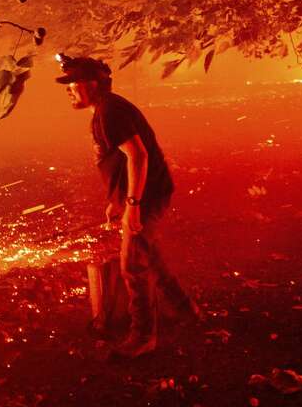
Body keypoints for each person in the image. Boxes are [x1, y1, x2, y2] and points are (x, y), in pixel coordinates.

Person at [56, 53, 198, 359]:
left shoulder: (111, 112)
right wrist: (117, 201)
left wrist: (133, 204)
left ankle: (143, 335)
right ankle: (187, 312)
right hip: (141, 195)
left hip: (146, 196)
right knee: (151, 258)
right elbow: (120, 161)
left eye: (73, 83)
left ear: (93, 84)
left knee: (133, 265)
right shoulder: (107, 109)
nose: (68, 89)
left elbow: (138, 155)